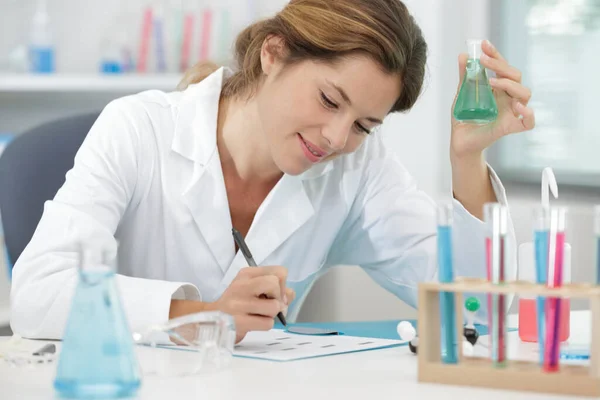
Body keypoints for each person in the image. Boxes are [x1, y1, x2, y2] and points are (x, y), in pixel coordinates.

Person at [10, 0, 534, 343]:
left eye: (363, 125)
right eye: (330, 99)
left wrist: (468, 160)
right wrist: (202, 318)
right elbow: (37, 295)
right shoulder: (137, 129)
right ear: (274, 54)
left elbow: (482, 311)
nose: (335, 138)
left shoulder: (356, 167)